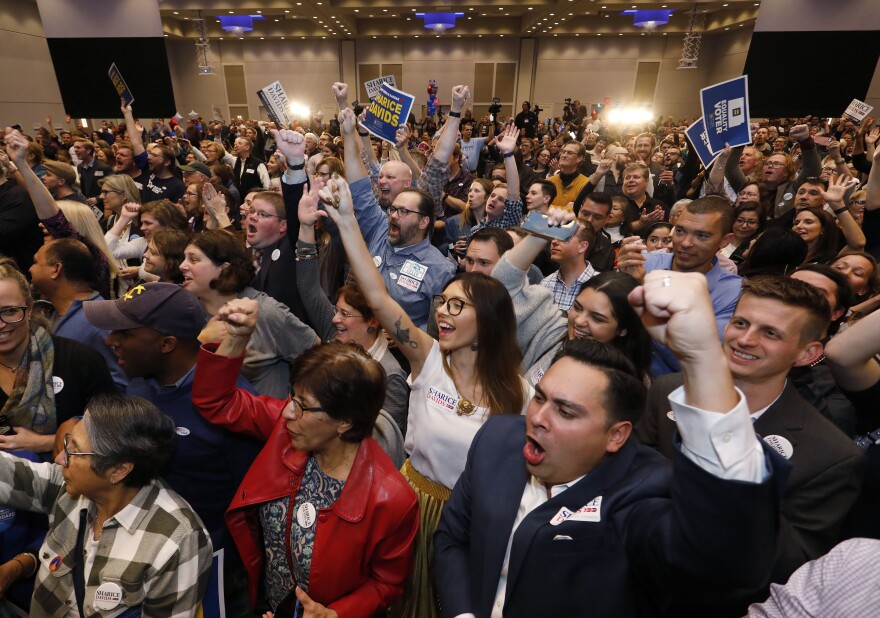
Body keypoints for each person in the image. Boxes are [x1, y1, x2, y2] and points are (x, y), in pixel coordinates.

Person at [434, 270, 787, 618]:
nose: (539, 417)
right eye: (540, 398)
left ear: (616, 435)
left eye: (566, 412)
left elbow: (723, 566)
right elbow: (452, 539)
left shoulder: (644, 490)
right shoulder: (498, 439)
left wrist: (702, 360)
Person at [310, 176, 529, 618]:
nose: (442, 313)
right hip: (412, 507)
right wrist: (348, 220)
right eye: (442, 303)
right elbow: (376, 295)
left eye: (457, 306)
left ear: (486, 321)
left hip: (476, 520)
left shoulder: (521, 390)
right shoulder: (428, 360)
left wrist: (537, 239)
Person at [637, 276, 864, 614]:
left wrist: (743, 457)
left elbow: (788, 568)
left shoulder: (832, 456)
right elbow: (628, 475)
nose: (745, 339)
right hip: (631, 574)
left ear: (807, 353)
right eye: (740, 322)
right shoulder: (668, 391)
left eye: (770, 333)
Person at [192, 302, 419, 616]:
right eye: (291, 397)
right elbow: (215, 401)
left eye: (303, 405)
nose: (287, 411)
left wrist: (335, 614)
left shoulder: (392, 499)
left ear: (345, 421)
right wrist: (236, 339)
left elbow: (388, 582)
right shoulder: (285, 431)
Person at [82, 282, 261, 615]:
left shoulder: (232, 406)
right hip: (141, 553)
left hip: (209, 564)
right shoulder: (139, 381)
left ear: (166, 344)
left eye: (125, 333)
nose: (110, 340)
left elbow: (250, 503)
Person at [0, 393, 213, 615]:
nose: (60, 458)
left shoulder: (177, 541)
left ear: (118, 470)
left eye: (74, 450)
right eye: (67, 442)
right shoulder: (68, 487)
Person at [338, 102, 455, 330]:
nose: (393, 216)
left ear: (424, 221)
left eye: (403, 211)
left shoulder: (440, 270)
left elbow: (439, 332)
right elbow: (359, 186)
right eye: (393, 209)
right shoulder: (379, 228)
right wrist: (350, 133)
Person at [491, 219, 652, 385]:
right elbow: (503, 286)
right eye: (577, 307)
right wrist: (541, 232)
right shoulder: (553, 334)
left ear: (622, 329)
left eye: (597, 318)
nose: (579, 321)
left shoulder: (628, 381)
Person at [297, 200, 410, 434]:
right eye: (337, 310)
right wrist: (306, 227)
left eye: (345, 314)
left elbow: (388, 439)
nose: (335, 319)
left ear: (373, 321)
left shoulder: (389, 375)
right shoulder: (334, 335)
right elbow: (309, 287)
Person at [181, 229, 318, 399]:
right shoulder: (185, 311)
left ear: (224, 269)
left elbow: (319, 357)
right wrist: (202, 340)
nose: (182, 266)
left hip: (259, 420)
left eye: (193, 260)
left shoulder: (266, 311)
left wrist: (299, 406)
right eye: (184, 258)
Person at [0, 259, 116, 456]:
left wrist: (48, 442)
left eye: (10, 311)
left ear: (29, 309)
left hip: (74, 482)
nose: (1, 324)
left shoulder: (79, 360)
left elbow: (115, 433)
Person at [618, 195, 742, 374]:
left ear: (725, 241)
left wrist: (644, 295)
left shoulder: (733, 294)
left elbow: (697, 359)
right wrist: (621, 283)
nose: (685, 243)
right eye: (680, 231)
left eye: (701, 235)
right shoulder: (645, 263)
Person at [29, 239, 127, 390]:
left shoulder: (98, 322)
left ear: (56, 270)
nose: (30, 269)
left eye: (35, 262)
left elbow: (121, 385)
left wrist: (84, 414)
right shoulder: (56, 313)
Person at [540, 224, 598, 312]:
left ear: (582, 246)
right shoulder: (545, 284)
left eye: (564, 236)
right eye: (554, 236)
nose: (554, 241)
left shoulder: (600, 285)